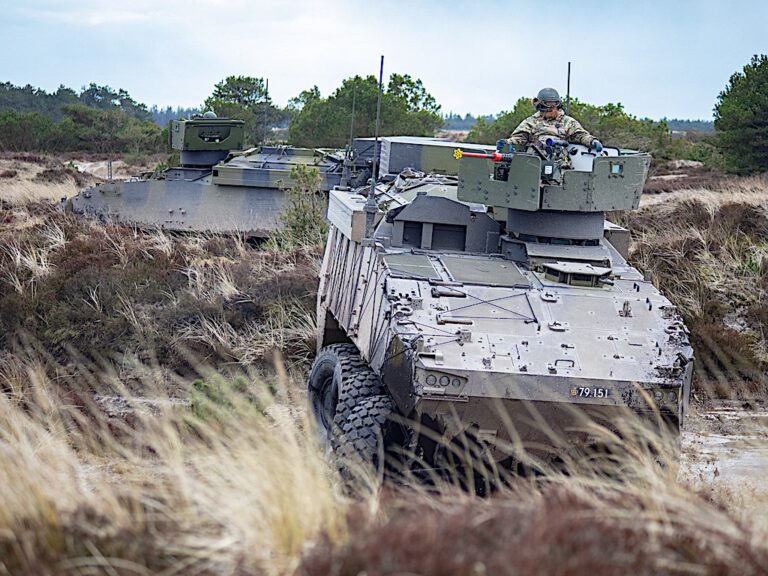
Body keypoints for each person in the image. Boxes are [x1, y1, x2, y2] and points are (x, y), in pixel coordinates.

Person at [500, 88, 602, 153]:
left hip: (559, 165)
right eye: (549, 105)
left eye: (555, 105)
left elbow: (580, 135)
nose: (553, 109)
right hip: (534, 163)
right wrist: (507, 143)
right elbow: (520, 137)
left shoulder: (567, 122)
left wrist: (592, 141)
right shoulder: (531, 122)